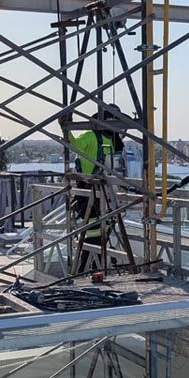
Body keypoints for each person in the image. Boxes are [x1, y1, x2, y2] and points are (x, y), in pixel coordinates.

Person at [68, 108, 125, 271]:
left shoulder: (108, 139)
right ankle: (90, 269)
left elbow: (74, 145)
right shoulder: (102, 138)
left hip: (98, 194)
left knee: (98, 234)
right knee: (96, 234)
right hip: (98, 195)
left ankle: (90, 269)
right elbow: (75, 145)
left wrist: (66, 129)